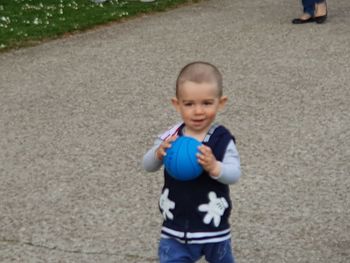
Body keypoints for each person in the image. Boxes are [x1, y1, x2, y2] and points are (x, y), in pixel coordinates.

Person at [142, 61, 241, 263]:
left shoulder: (221, 138)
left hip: (213, 227)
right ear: (176, 104)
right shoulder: (171, 134)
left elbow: (234, 174)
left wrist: (215, 167)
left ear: (220, 103)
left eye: (206, 103)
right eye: (189, 104)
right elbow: (146, 165)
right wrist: (158, 153)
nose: (198, 111)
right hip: (175, 226)